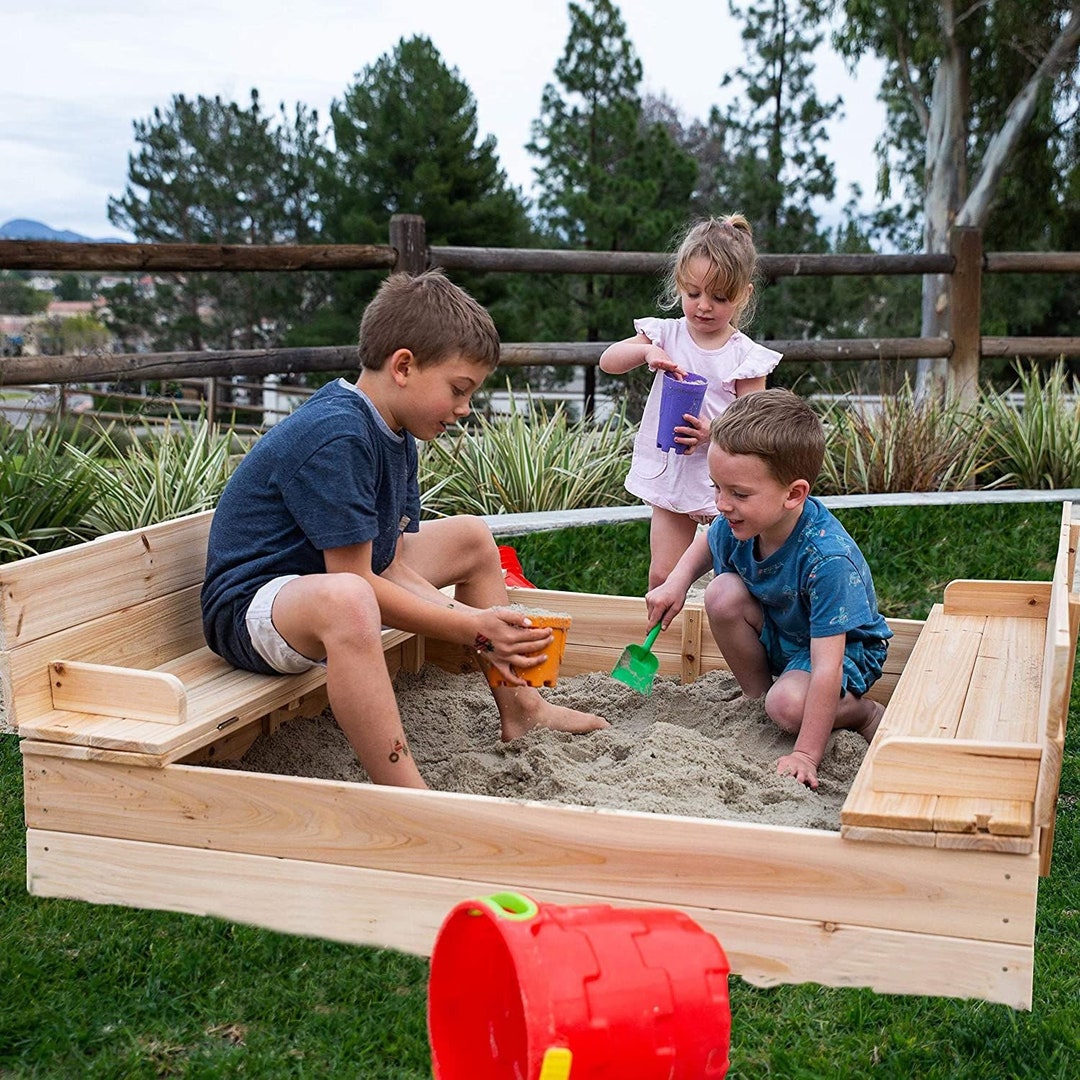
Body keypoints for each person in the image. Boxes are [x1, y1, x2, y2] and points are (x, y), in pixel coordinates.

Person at [201, 269, 607, 790]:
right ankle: (404, 790)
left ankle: (523, 707)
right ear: (404, 366)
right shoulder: (337, 435)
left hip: (322, 583)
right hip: (253, 610)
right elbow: (360, 582)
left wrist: (477, 618)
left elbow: (385, 561)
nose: (464, 410)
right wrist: (475, 629)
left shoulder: (393, 430)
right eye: (459, 390)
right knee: (350, 598)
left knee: (470, 538)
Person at [644, 388, 891, 790]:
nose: (722, 504)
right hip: (786, 629)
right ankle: (758, 698)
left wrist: (806, 754)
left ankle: (861, 713)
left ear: (794, 494)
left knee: (789, 706)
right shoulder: (744, 520)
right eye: (716, 487)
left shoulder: (827, 560)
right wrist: (676, 582)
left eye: (738, 494)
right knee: (721, 593)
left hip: (843, 651)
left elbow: (827, 665)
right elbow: (708, 540)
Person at [599, 215, 782, 590]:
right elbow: (608, 361)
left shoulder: (745, 357)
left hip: (726, 484)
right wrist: (646, 352)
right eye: (693, 293)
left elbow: (756, 425)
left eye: (719, 297)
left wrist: (713, 432)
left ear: (744, 295)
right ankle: (661, 643)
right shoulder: (665, 334)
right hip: (674, 473)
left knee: (730, 580)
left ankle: (718, 642)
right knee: (663, 575)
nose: (703, 306)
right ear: (679, 285)